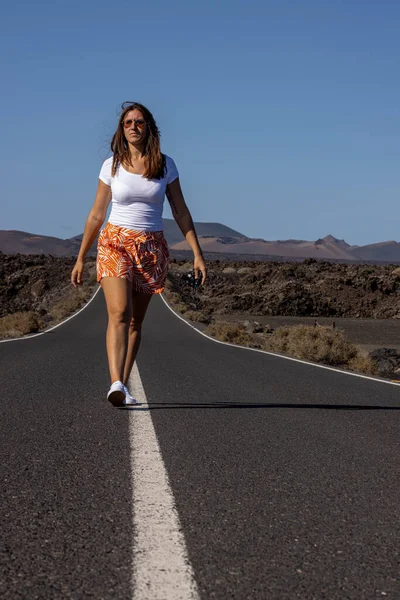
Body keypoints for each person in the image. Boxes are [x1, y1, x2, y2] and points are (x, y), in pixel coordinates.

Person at [71, 101, 207, 407]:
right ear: (122, 129)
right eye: (128, 122)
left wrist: (197, 253)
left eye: (140, 122)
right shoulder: (111, 165)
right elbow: (96, 214)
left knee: (135, 322)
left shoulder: (165, 165)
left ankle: (124, 384)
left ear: (149, 128)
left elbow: (181, 211)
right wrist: (81, 256)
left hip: (151, 247)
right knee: (119, 312)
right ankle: (115, 381)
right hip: (115, 241)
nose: (134, 127)